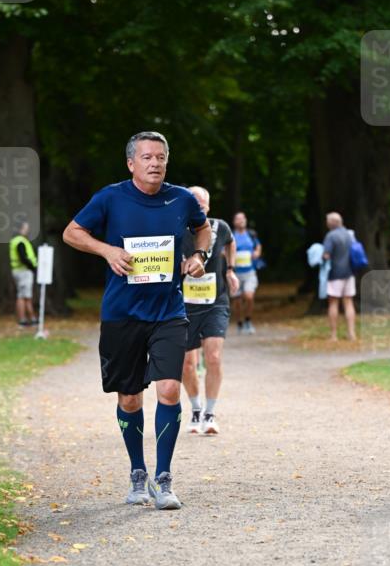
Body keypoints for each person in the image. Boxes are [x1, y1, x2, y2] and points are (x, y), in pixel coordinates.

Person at [62, 131, 211, 510]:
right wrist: (106, 250)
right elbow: (72, 232)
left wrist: (199, 257)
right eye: (147, 157)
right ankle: (137, 472)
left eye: (161, 157)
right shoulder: (110, 198)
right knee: (129, 398)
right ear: (131, 163)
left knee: (168, 391)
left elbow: (202, 228)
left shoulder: (182, 198)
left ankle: (164, 478)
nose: (155, 163)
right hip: (122, 314)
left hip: (168, 312)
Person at [181, 186, 239, 435]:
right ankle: (195, 409)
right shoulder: (176, 227)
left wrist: (230, 269)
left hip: (215, 300)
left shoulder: (219, 226)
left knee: (213, 356)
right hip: (184, 304)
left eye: (203, 203)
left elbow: (231, 242)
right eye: (195, 202)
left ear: (208, 206)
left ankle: (210, 413)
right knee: (186, 364)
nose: (199, 206)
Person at [323, 212, 356, 341]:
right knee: (348, 302)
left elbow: (326, 255)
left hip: (335, 274)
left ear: (331, 223)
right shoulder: (350, 234)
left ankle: (333, 335)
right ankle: (351, 333)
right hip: (349, 273)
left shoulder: (331, 236)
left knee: (333, 303)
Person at [232, 211, 261, 334]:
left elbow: (258, 246)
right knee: (237, 301)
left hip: (249, 272)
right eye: (238, 219)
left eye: (243, 218)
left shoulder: (251, 234)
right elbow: (223, 250)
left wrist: (257, 253)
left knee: (249, 296)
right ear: (234, 222)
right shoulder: (231, 235)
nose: (241, 220)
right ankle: (239, 322)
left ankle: (248, 320)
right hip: (235, 274)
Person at [9, 221, 38, 326]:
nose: (27, 230)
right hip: (23, 271)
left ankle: (27, 319)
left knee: (23, 295)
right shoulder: (20, 241)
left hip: (18, 270)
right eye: (26, 228)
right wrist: (33, 267)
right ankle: (27, 319)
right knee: (24, 296)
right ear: (20, 229)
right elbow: (23, 258)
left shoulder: (15, 240)